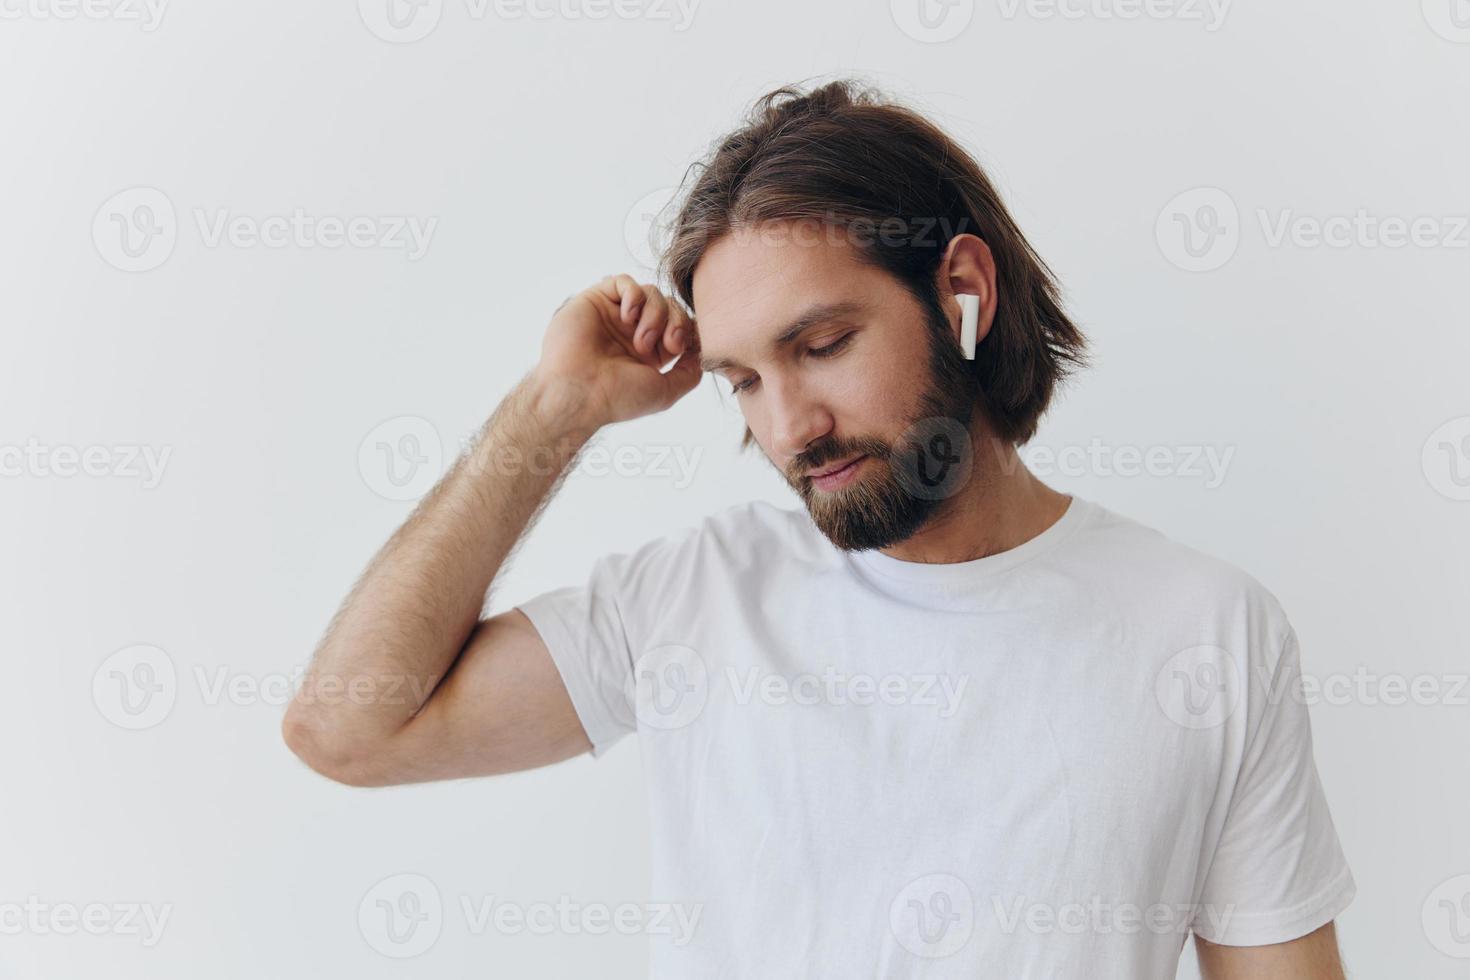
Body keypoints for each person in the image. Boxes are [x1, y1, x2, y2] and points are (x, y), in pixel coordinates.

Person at [282, 79, 1355, 979]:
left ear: (964, 290)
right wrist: (555, 408)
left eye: (825, 342)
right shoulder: (697, 598)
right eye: (742, 378)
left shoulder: (1207, 629)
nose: (789, 426)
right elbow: (349, 728)